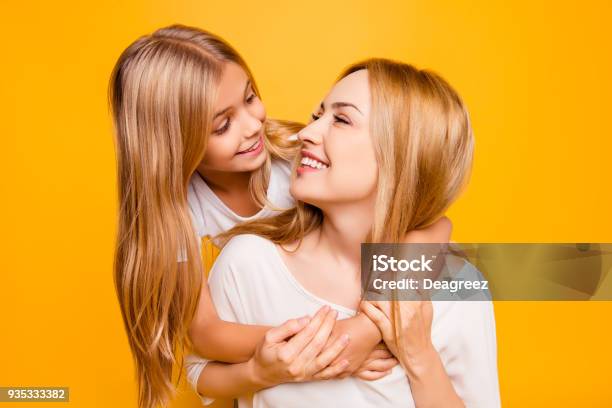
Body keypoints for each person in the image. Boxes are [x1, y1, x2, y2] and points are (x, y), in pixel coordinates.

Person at [109, 25, 450, 408]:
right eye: (223, 125)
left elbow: (435, 227)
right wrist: (323, 346)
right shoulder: (181, 219)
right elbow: (206, 335)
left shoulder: (296, 153)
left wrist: (364, 329)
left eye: (250, 97)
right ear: (174, 145)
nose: (253, 125)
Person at [189, 59, 500, 407]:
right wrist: (267, 368)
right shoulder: (247, 263)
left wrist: (419, 356)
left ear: (400, 155)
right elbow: (201, 366)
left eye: (341, 119)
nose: (305, 133)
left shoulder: (456, 287)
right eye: (317, 116)